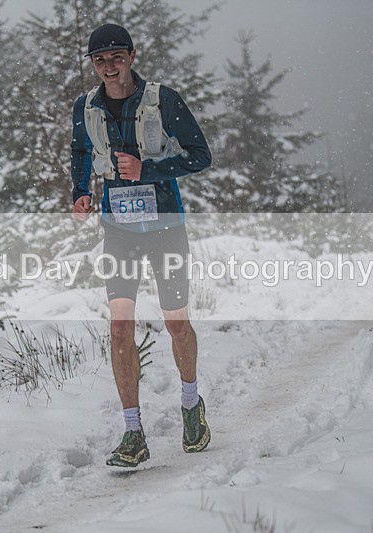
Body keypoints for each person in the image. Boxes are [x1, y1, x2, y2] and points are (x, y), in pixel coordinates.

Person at [70, 23, 212, 467]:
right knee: (119, 328)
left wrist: (147, 171)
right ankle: (133, 432)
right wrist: (81, 190)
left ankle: (191, 405)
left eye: (116, 57)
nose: (109, 67)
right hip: (119, 230)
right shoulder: (86, 106)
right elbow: (79, 151)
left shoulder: (163, 99)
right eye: (99, 59)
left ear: (132, 56)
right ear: (93, 64)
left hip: (166, 226)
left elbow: (200, 155)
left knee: (175, 324)